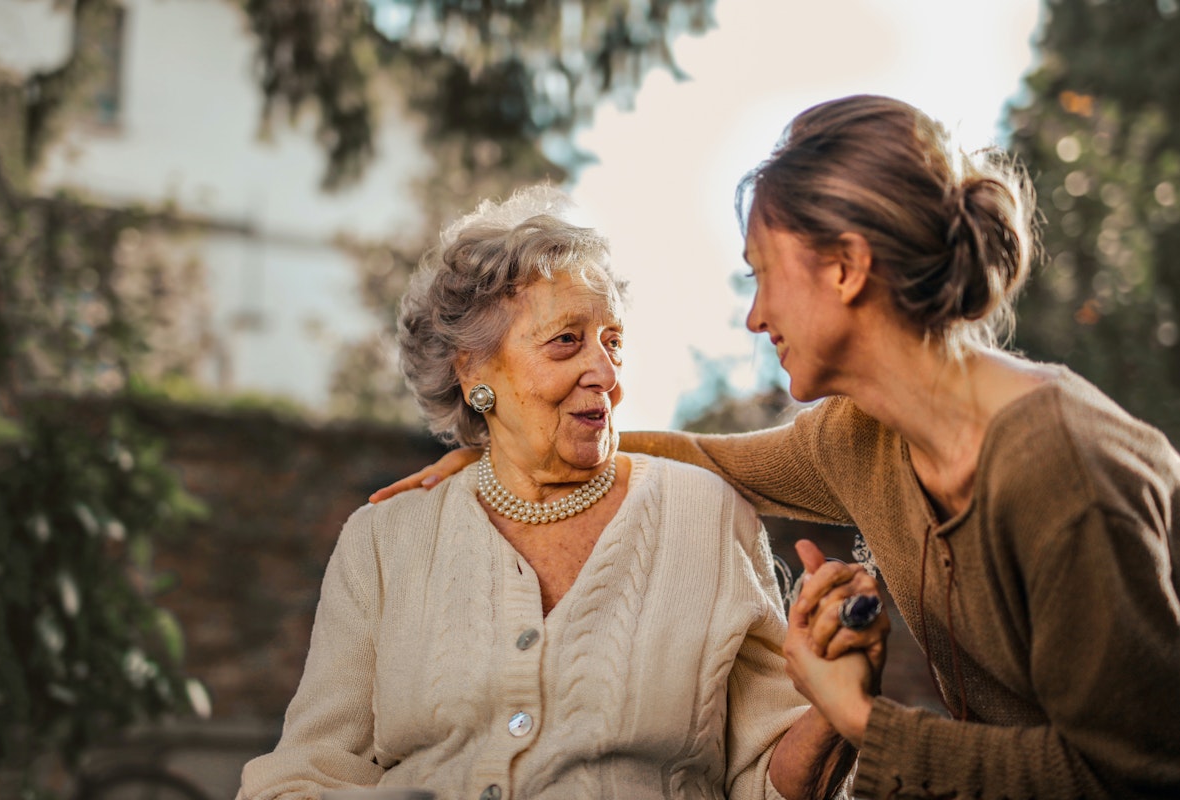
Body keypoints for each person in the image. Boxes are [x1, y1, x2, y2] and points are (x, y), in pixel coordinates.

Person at [370, 96, 1180, 798]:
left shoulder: (1059, 468)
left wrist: (858, 716)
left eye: (761, 274)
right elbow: (706, 458)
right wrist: (509, 453)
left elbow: (1130, 774)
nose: (754, 318)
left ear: (846, 268)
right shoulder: (861, 437)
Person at [238, 186, 885, 800]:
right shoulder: (384, 540)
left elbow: (769, 784)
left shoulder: (706, 517)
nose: (603, 374)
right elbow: (304, 773)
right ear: (473, 371)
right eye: (566, 342)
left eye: (613, 343)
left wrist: (834, 707)